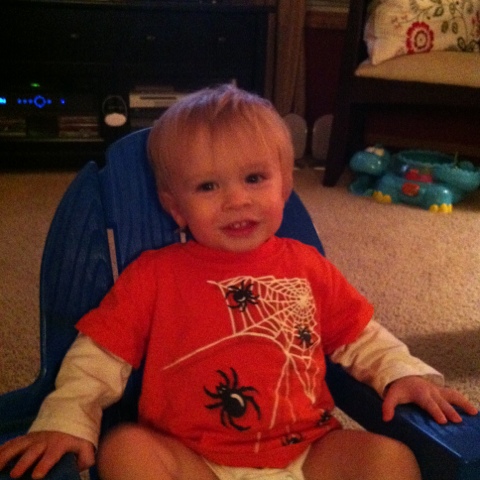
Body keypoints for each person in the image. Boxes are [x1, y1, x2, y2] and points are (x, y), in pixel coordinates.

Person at [0, 84, 477, 480]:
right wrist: (66, 419)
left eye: (254, 178)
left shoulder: (307, 266)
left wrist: (403, 372)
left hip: (308, 452)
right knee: (125, 449)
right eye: (208, 186)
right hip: (191, 459)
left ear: (285, 186)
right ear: (175, 207)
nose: (236, 201)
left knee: (390, 459)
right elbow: (97, 357)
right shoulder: (153, 275)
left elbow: (361, 336)